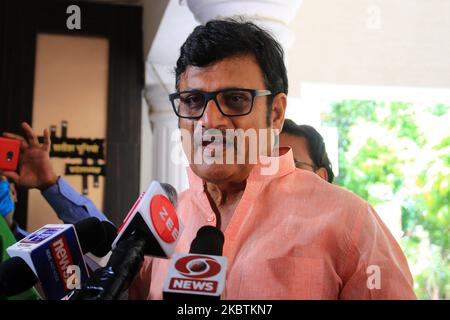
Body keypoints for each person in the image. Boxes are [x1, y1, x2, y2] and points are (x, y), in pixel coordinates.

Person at [128, 19, 416, 299]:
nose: (210, 120)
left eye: (235, 99)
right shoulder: (159, 226)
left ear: (276, 113)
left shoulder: (348, 221)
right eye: (193, 101)